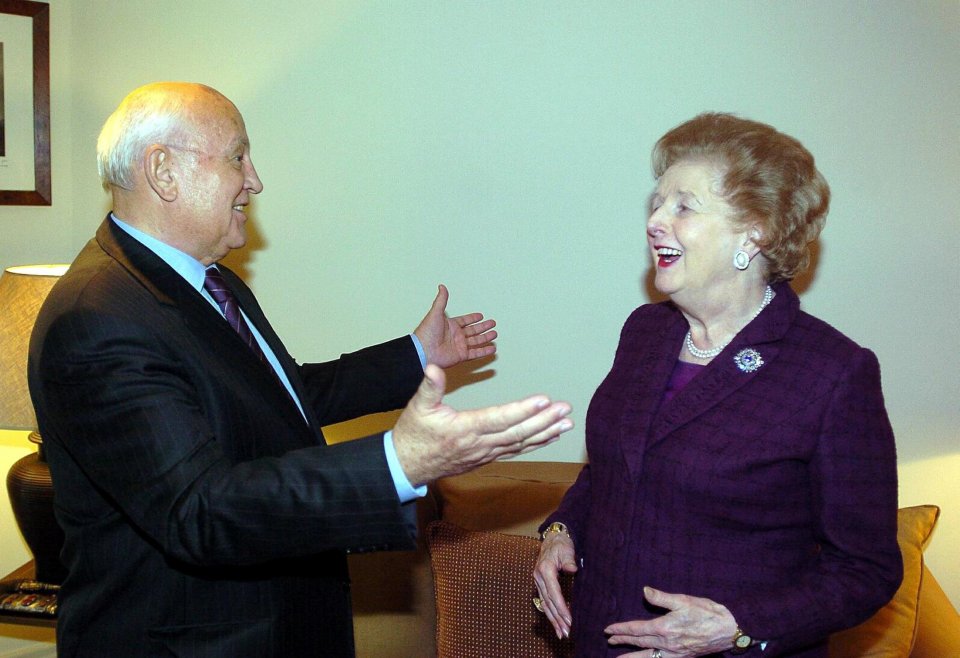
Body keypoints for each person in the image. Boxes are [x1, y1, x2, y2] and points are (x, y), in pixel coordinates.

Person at [27, 81, 574, 657]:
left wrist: (413, 355)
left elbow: (279, 399)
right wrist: (395, 462)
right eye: (238, 156)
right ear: (163, 171)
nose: (254, 180)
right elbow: (199, 510)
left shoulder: (206, 280)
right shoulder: (96, 318)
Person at [533, 113, 902, 658]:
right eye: (656, 204)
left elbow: (866, 570)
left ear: (754, 233)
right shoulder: (645, 331)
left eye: (683, 206)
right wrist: (560, 530)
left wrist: (737, 625)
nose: (656, 221)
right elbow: (617, 471)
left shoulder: (833, 372)